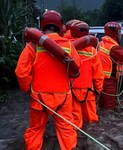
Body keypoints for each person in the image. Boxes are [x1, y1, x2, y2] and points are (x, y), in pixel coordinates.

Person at [15, 10, 80, 150]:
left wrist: (27, 89)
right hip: (63, 97)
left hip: (39, 97)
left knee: (36, 130)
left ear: (42, 25)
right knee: (66, 130)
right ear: (60, 26)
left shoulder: (32, 46)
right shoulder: (68, 46)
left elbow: (21, 72)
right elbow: (76, 70)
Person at [69, 21, 104, 128]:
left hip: (71, 90)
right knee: (91, 121)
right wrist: (99, 89)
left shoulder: (65, 47)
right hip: (88, 91)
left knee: (74, 121)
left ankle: (77, 141)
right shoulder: (92, 51)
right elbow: (98, 73)